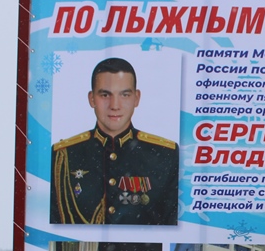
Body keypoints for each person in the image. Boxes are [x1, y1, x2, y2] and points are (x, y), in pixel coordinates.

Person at [51, 57, 178, 225]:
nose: (114, 105)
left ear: (136, 98)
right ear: (91, 99)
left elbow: (172, 226)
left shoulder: (165, 156)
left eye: (125, 95)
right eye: (105, 95)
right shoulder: (63, 156)